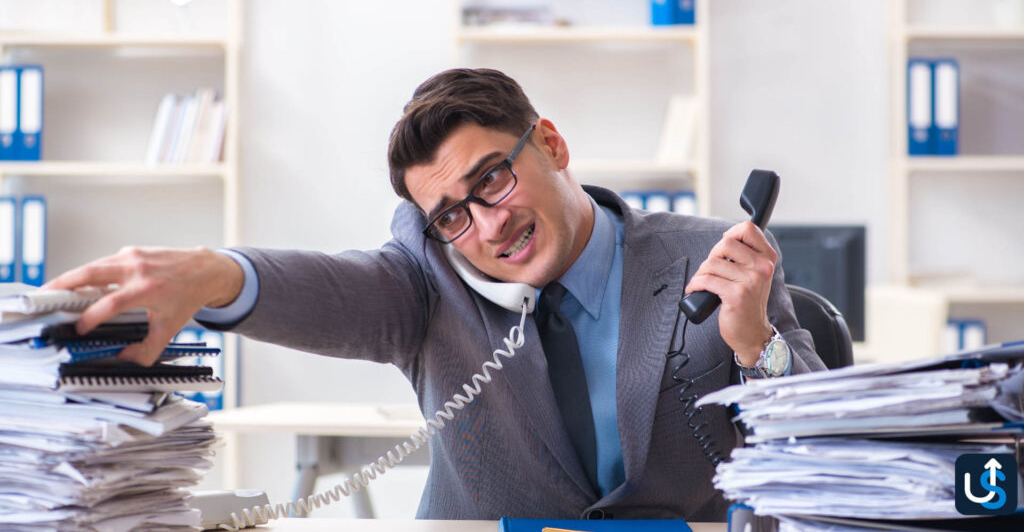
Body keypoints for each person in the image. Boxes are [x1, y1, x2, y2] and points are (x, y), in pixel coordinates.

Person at [48, 68, 826, 521]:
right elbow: (339, 290)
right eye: (452, 214)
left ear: (550, 144)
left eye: (493, 177)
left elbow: (827, 449)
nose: (488, 226)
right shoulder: (432, 275)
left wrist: (757, 344)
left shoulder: (706, 256)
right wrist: (218, 275)